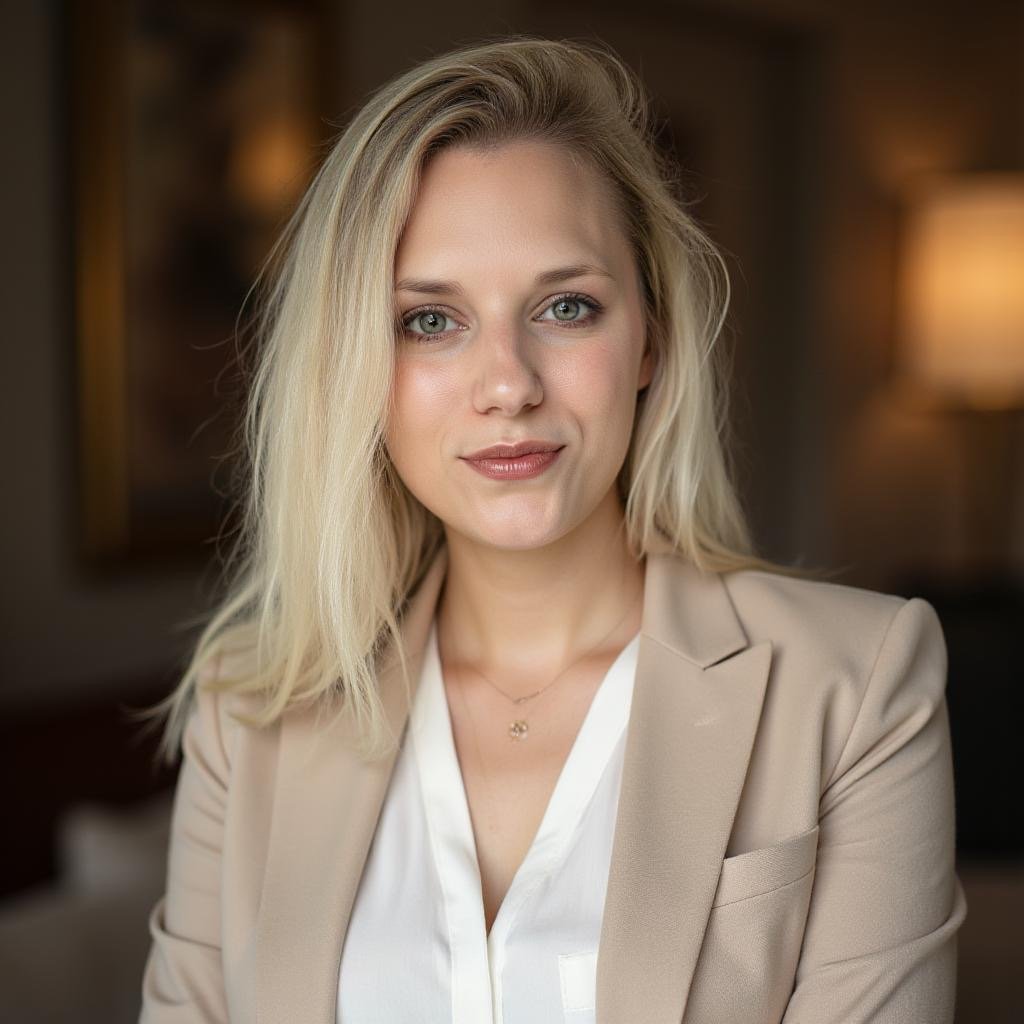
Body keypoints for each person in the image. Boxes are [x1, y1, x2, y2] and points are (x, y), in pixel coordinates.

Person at [137, 35, 967, 1024]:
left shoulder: (856, 685)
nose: (508, 385)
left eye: (566, 307)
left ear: (651, 336)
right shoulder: (250, 714)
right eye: (429, 321)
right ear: (353, 363)